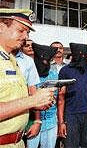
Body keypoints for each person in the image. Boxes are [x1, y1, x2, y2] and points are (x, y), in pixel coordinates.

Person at [0, 8, 55, 148]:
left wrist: (37, 103)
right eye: (21, 30)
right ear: (1, 27)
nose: (26, 36)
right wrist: (32, 100)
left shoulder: (11, 60)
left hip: (17, 142)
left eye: (27, 32)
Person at [58, 43, 87, 148]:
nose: (83, 57)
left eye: (84, 54)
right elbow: (61, 97)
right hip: (71, 115)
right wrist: (61, 122)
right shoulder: (64, 71)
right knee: (71, 145)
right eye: (80, 55)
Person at [27, 43, 58, 148]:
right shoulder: (29, 73)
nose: (46, 63)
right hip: (32, 121)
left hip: (51, 120)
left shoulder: (54, 74)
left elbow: (58, 97)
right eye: (44, 60)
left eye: (48, 61)